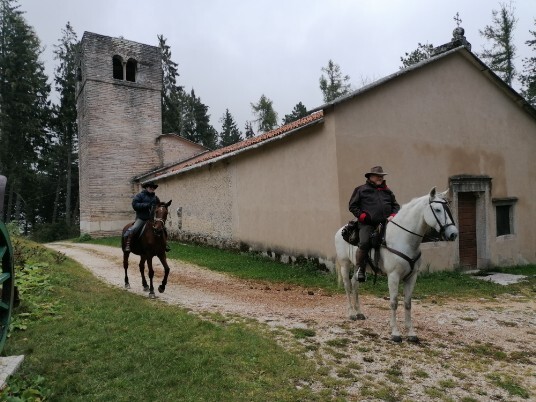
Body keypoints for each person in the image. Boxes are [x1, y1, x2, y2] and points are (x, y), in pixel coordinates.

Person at [348, 166, 400, 282]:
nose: (380, 178)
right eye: (378, 176)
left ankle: (396, 268)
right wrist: (362, 216)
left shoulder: (387, 191)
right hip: (367, 224)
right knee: (364, 242)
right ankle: (360, 269)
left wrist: (393, 215)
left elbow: (396, 206)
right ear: (370, 177)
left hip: (386, 223)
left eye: (381, 176)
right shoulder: (361, 189)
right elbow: (352, 206)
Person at [123, 181, 169, 252]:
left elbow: (159, 206)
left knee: (163, 229)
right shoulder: (139, 196)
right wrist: (146, 205)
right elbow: (135, 205)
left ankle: (164, 245)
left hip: (152, 219)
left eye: (153, 188)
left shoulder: (155, 198)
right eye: (150, 187)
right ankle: (128, 244)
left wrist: (163, 205)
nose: (152, 189)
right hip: (142, 218)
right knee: (134, 228)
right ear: (146, 187)